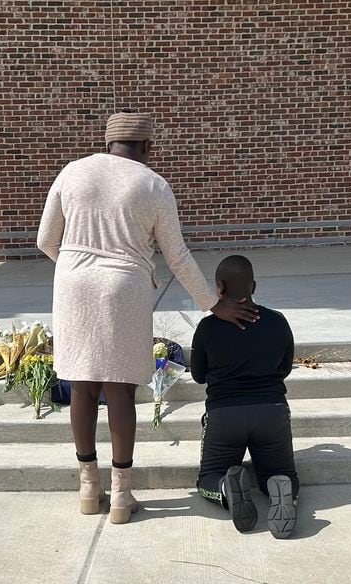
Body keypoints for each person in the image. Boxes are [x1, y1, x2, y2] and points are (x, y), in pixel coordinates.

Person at [37, 110, 257, 524]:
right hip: (125, 287)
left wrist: (77, 266)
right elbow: (177, 254)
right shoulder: (154, 184)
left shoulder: (71, 172)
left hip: (73, 284)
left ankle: (88, 486)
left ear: (108, 143)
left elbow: (45, 239)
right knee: (119, 392)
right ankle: (121, 495)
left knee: (82, 386)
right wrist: (213, 303)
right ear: (146, 147)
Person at [191, 254, 299, 538]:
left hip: (225, 416)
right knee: (283, 474)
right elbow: (284, 369)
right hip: (271, 412)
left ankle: (227, 488)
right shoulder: (278, 322)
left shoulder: (207, 328)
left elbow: (199, 376)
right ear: (254, 286)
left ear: (219, 288)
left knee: (209, 477)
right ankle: (279, 488)